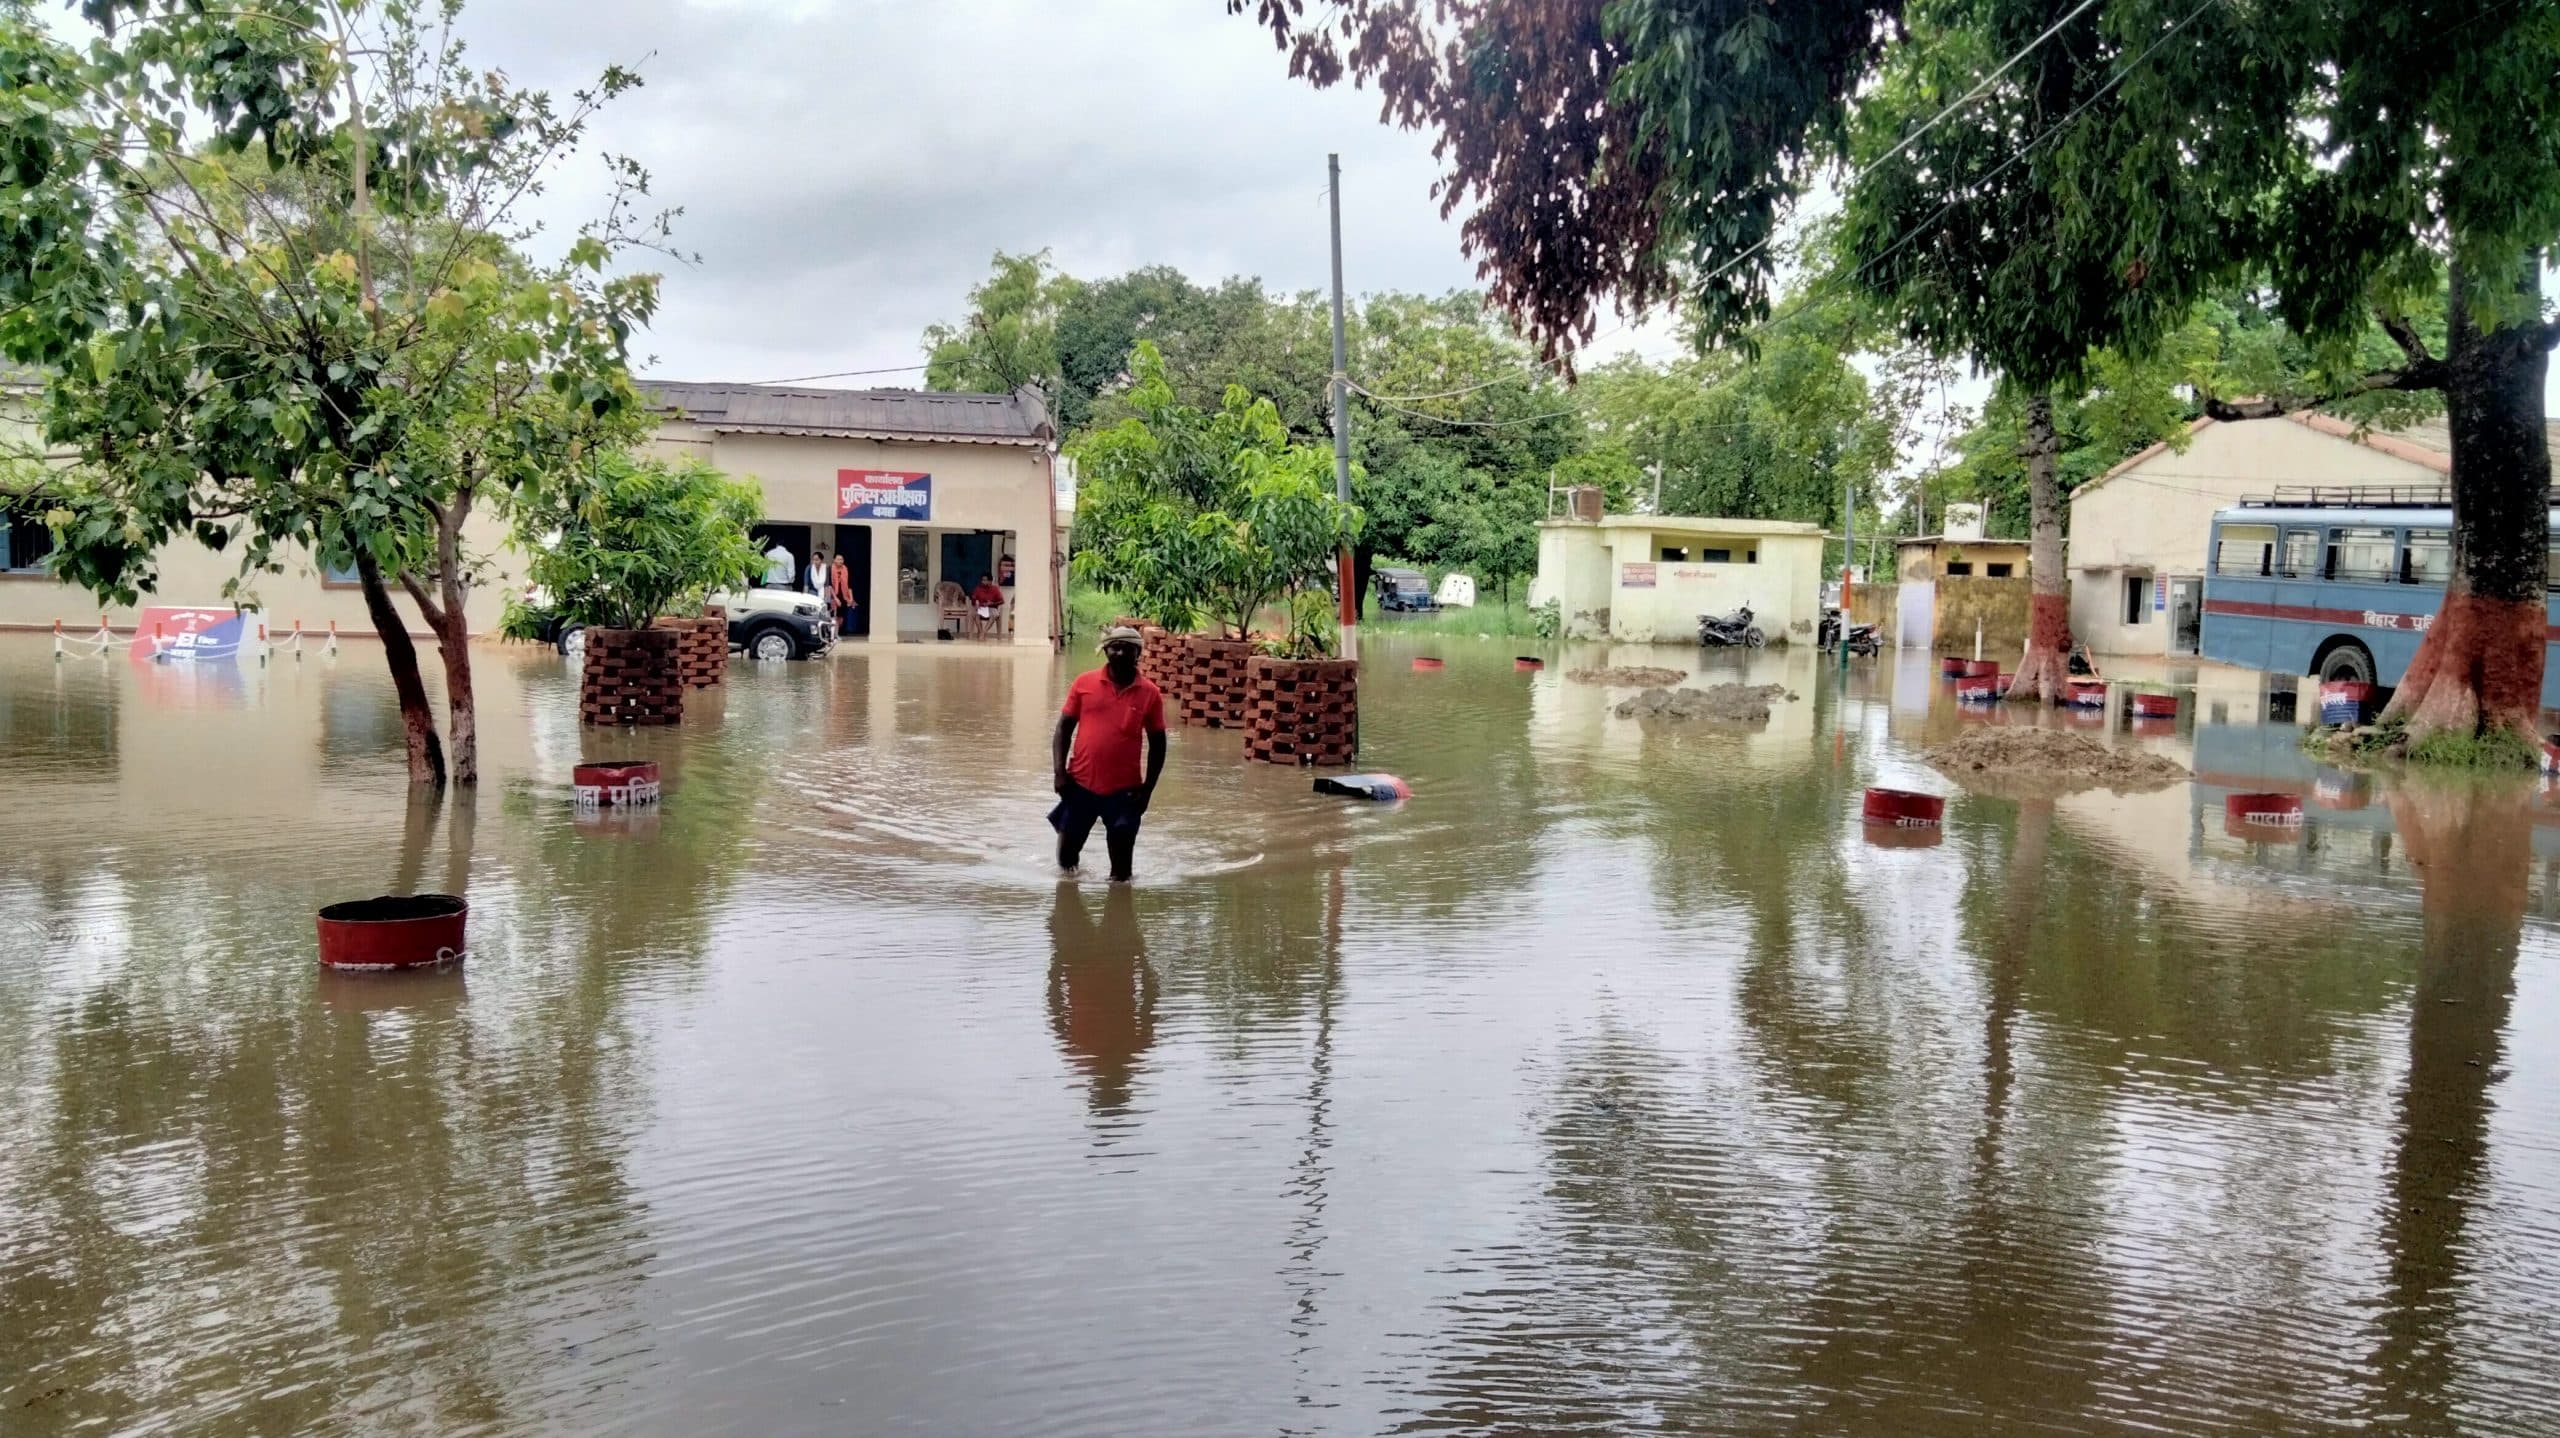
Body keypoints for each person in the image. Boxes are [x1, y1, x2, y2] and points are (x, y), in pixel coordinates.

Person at [1051, 626, 1167, 883]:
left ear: (1138, 653)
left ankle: (1118, 913)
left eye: (1128, 648)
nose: (1120, 652)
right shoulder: (1084, 683)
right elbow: (1063, 729)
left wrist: (1148, 789)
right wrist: (1059, 773)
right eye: (1114, 647)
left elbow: (1158, 744)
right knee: (1066, 860)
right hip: (1080, 785)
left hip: (1125, 792)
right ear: (1105, 650)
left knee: (1122, 872)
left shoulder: (1150, 694)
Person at [970, 572, 1006, 639]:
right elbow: (973, 601)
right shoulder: (978, 589)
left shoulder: (995, 589)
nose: (983, 582)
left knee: (994, 615)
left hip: (992, 608)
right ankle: (981, 632)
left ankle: (984, 632)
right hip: (981, 608)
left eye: (985, 580)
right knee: (974, 614)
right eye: (982, 580)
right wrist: (975, 601)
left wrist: (992, 603)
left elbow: (1002, 601)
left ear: (990, 581)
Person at [829, 551, 857, 635]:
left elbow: (849, 585)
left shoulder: (846, 569)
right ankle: (833, 633)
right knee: (833, 615)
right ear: (834, 560)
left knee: (841, 616)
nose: (840, 561)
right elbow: (829, 585)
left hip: (844, 595)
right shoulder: (830, 569)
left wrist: (851, 598)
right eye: (838, 559)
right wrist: (835, 598)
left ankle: (839, 632)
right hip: (833, 594)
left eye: (842, 559)